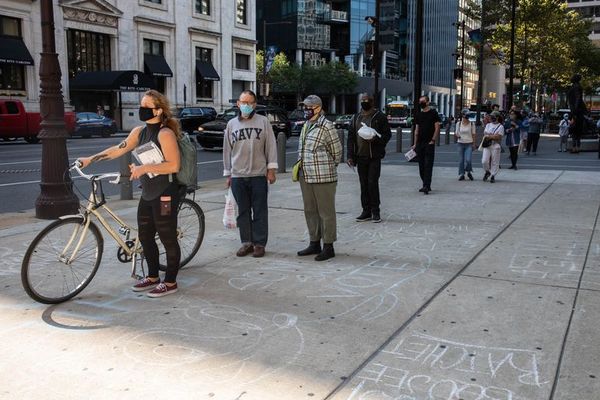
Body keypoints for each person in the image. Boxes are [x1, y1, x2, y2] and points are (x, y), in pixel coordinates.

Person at [79, 90, 183, 297]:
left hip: (166, 192)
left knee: (167, 237)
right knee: (145, 236)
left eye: (146, 107)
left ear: (158, 110)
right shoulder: (139, 132)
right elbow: (119, 149)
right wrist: (91, 159)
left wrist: (142, 169)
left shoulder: (165, 133)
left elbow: (174, 165)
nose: (142, 110)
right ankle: (153, 276)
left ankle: (170, 281)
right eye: (141, 106)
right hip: (149, 191)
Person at [223, 90, 278, 258]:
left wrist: (271, 170)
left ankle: (259, 244)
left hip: (258, 175)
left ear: (254, 104)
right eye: (243, 102)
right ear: (238, 104)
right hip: (238, 176)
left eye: (250, 103)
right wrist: (228, 174)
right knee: (243, 212)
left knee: (260, 210)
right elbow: (227, 150)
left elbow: (271, 146)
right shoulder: (231, 124)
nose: (246, 106)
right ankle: (246, 242)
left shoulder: (263, 122)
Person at [296, 95, 342, 261]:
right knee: (310, 210)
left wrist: (327, 167)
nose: (305, 110)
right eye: (304, 107)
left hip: (323, 177)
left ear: (317, 108)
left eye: (308, 107)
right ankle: (314, 242)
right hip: (306, 176)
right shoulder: (306, 125)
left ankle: (328, 246)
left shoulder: (327, 126)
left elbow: (337, 152)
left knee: (326, 212)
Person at [346, 93, 392, 223]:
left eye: (367, 101)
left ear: (372, 102)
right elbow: (350, 138)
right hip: (360, 156)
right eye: (362, 101)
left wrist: (376, 139)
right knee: (363, 184)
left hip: (374, 157)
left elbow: (387, 135)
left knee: (372, 183)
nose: (364, 102)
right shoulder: (356, 118)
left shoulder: (379, 117)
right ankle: (366, 211)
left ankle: (375, 211)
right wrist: (350, 155)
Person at [411, 95, 440, 194]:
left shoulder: (433, 113)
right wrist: (415, 144)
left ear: (427, 102)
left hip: (429, 143)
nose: (421, 103)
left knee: (428, 165)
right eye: (420, 101)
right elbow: (416, 130)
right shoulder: (419, 115)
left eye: (422, 101)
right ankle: (425, 183)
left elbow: (437, 128)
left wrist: (433, 140)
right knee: (421, 166)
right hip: (420, 143)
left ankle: (426, 186)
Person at [481, 110, 504, 183]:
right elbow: (485, 135)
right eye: (491, 116)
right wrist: (493, 136)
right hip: (487, 145)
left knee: (495, 161)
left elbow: (499, 137)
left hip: (495, 145)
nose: (491, 118)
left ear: (497, 117)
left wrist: (490, 136)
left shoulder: (501, 126)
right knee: (484, 161)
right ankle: (487, 171)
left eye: (493, 116)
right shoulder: (488, 125)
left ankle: (493, 175)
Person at [567, 74, 587, 154]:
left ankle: (575, 148)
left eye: (572, 77)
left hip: (576, 111)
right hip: (577, 110)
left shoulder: (576, 87)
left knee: (575, 131)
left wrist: (574, 110)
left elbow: (578, 98)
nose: (570, 78)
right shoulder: (576, 86)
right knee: (576, 132)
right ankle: (576, 148)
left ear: (575, 79)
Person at [455, 109, 476, 181]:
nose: (468, 116)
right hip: (460, 143)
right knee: (461, 160)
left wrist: (474, 144)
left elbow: (473, 134)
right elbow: (456, 133)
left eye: (468, 115)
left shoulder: (472, 124)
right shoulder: (459, 123)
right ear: (463, 115)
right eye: (466, 115)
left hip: (469, 144)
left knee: (468, 160)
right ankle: (462, 174)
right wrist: (457, 135)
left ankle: (469, 171)